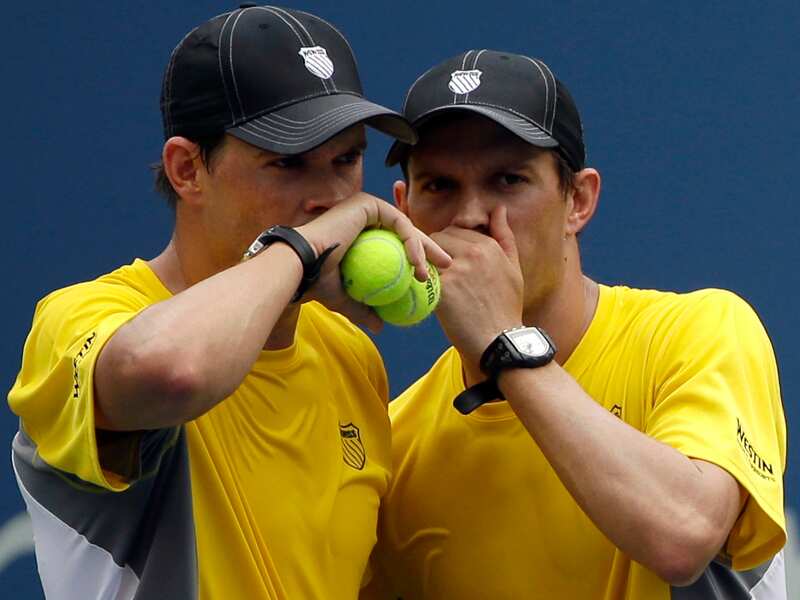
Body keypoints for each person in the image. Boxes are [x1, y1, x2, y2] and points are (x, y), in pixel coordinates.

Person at [7, 5, 450, 599]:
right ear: (188, 169)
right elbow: (174, 373)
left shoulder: (349, 351)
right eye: (288, 164)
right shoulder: (81, 319)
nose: (331, 199)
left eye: (346, 160)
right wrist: (300, 247)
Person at [363, 50, 787, 599]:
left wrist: (504, 345)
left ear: (578, 201)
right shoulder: (395, 439)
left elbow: (684, 536)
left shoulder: (697, 331)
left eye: (508, 181)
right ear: (404, 210)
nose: (470, 215)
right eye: (440, 187)